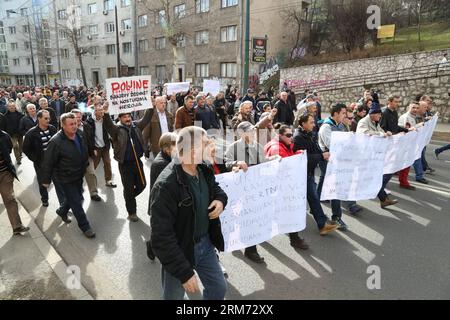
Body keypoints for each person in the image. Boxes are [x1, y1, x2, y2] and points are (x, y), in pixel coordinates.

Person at [150, 126, 228, 300]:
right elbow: (161, 236)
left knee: (218, 288)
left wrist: (221, 200)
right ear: (193, 151)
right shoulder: (166, 185)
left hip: (206, 246)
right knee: (174, 298)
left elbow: (216, 189)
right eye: (207, 143)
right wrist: (184, 272)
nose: (212, 145)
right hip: (180, 250)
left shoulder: (204, 167)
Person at [225, 121, 278, 263]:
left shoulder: (257, 146)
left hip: (255, 188)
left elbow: (264, 161)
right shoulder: (233, 147)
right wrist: (236, 164)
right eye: (249, 131)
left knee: (252, 218)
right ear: (241, 133)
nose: (253, 133)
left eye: (253, 131)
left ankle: (250, 250)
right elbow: (226, 162)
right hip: (239, 189)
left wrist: (275, 159)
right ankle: (233, 241)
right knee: (238, 217)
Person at [41, 113, 96, 238]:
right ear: (63, 125)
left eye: (75, 123)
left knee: (75, 197)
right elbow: (48, 162)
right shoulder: (55, 141)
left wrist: (86, 163)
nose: (74, 126)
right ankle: (85, 226)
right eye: (71, 124)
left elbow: (83, 150)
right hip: (65, 177)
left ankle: (62, 210)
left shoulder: (80, 135)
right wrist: (46, 180)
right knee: (76, 201)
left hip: (78, 174)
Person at [102, 102, 153, 222]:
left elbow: (146, 119)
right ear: (120, 118)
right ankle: (132, 212)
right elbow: (108, 124)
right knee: (129, 188)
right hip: (125, 164)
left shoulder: (136, 126)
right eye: (124, 116)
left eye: (129, 116)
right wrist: (106, 113)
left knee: (143, 185)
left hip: (137, 162)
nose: (128, 118)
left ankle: (128, 197)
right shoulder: (116, 130)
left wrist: (151, 106)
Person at [264, 124, 310, 249]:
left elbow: (289, 159)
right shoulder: (276, 149)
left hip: (282, 187)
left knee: (284, 213)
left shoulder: (284, 144)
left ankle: (294, 238)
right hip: (279, 188)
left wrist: (296, 153)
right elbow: (285, 169)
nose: (292, 137)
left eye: (292, 134)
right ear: (280, 136)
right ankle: (253, 243)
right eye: (289, 135)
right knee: (279, 214)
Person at [293, 114, 339, 235]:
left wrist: (324, 154)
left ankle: (322, 224)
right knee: (304, 200)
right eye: (311, 122)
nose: (314, 125)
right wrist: (321, 156)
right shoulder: (298, 138)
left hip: (309, 172)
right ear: (303, 123)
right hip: (301, 174)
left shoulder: (310, 134)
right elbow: (303, 158)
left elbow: (315, 149)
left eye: (313, 122)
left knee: (313, 199)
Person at [357, 104, 399, 208]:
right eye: (379, 115)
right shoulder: (363, 122)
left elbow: (380, 131)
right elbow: (365, 133)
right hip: (364, 155)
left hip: (373, 154)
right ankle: (349, 202)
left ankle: (383, 199)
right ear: (373, 114)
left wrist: (386, 133)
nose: (380, 117)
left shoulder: (375, 122)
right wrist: (381, 134)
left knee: (377, 177)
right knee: (370, 178)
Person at [145, 132, 178, 261]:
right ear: (166, 148)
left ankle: (153, 244)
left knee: (163, 231)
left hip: (165, 203)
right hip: (160, 204)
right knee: (162, 231)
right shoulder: (161, 164)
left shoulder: (169, 158)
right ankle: (152, 245)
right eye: (176, 145)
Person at [317, 103, 348, 231]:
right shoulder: (326, 127)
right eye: (343, 113)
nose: (345, 116)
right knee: (335, 186)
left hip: (337, 160)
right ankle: (336, 217)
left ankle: (315, 200)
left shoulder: (341, 125)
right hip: (327, 160)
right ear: (335, 113)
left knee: (324, 180)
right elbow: (332, 144)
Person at [23, 110, 58, 207]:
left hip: (55, 162)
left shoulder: (53, 129)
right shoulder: (31, 133)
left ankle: (63, 204)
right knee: (43, 182)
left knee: (59, 183)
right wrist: (36, 159)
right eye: (45, 118)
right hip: (41, 163)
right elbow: (26, 149)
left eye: (49, 118)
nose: (48, 120)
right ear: (39, 118)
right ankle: (45, 199)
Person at [0, 129, 30, 235]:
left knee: (10, 199)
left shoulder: (4, 136)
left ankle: (17, 226)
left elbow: (8, 149)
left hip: (4, 173)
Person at [71, 109, 102, 202]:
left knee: (91, 173)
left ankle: (93, 193)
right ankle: (78, 192)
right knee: (77, 176)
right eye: (76, 117)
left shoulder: (87, 126)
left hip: (87, 155)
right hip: (74, 157)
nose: (78, 119)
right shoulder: (68, 127)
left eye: (80, 117)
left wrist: (93, 149)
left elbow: (91, 139)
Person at [85, 102, 117, 188]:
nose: (102, 112)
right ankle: (91, 184)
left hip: (105, 146)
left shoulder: (106, 119)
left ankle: (108, 180)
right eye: (99, 111)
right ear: (95, 112)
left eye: (102, 110)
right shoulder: (89, 122)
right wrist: (92, 148)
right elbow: (88, 137)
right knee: (93, 166)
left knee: (107, 163)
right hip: (96, 147)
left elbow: (112, 129)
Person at [397, 102, 420, 190]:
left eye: (417, 108)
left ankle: (403, 181)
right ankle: (403, 182)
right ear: (408, 108)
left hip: (409, 143)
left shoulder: (413, 117)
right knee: (405, 163)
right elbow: (405, 130)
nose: (415, 109)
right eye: (413, 107)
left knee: (406, 163)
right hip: (404, 144)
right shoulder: (406, 117)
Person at [1, 100, 24, 165]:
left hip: (20, 133)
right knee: (15, 146)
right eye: (10, 106)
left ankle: (20, 154)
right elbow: (3, 126)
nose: (12, 107)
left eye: (13, 106)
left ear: (15, 107)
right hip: (11, 134)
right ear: (8, 107)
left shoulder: (20, 114)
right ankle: (18, 159)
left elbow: (23, 123)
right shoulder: (5, 116)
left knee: (21, 146)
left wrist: (23, 130)